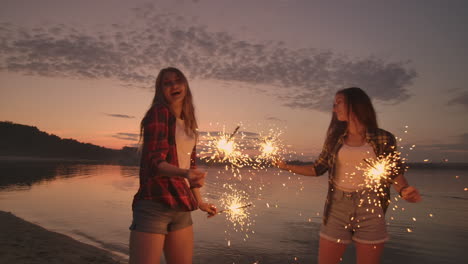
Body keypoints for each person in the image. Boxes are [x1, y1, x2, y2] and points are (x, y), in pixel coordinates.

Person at [277, 87, 421, 264]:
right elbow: (317, 169)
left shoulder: (383, 138)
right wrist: (285, 167)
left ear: (355, 104)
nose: (334, 108)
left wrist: (405, 190)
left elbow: (393, 172)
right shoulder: (334, 139)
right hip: (338, 206)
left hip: (371, 207)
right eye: (334, 104)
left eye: (338, 103)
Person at [129, 67, 217, 264]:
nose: (174, 85)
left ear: (185, 85)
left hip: (182, 206)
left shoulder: (190, 127)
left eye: (178, 80)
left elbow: (191, 170)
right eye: (167, 83)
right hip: (155, 203)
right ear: (160, 90)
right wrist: (185, 173)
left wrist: (200, 203)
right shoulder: (158, 113)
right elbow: (154, 162)